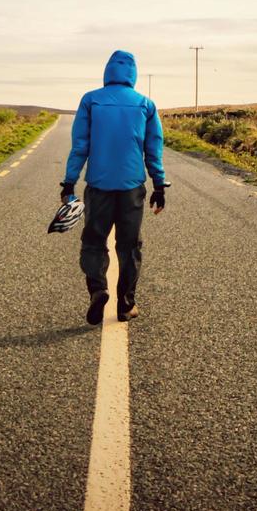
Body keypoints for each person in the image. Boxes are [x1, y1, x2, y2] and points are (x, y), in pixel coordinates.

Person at [60, 49, 168, 325]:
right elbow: (153, 150)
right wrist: (159, 185)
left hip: (98, 187)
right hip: (132, 187)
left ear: (108, 71)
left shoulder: (91, 101)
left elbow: (79, 147)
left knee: (94, 242)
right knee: (129, 247)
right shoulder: (145, 104)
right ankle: (125, 305)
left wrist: (69, 182)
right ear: (133, 73)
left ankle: (98, 289)